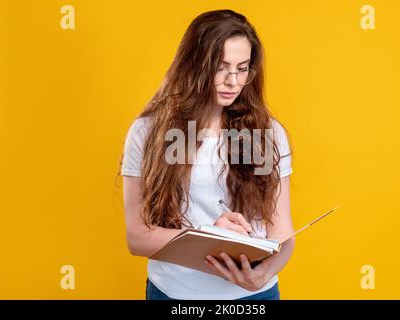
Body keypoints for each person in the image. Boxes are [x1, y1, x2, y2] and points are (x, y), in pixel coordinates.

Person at [119, 9, 295, 300]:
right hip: (176, 295)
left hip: (256, 296)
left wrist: (264, 272)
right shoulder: (148, 132)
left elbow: (282, 233)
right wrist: (206, 236)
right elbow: (137, 238)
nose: (233, 81)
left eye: (242, 68)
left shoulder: (265, 133)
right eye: (221, 67)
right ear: (195, 65)